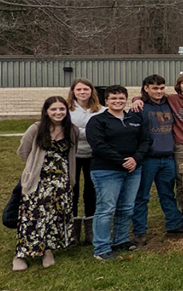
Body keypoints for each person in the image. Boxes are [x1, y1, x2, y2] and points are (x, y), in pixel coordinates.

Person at [13, 96, 79, 271]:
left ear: (66, 111)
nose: (58, 113)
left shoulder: (71, 130)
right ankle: (21, 254)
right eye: (54, 109)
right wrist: (33, 169)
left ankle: (47, 250)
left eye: (61, 109)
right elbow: (23, 151)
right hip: (38, 182)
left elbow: (71, 154)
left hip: (61, 183)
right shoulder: (36, 129)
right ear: (47, 111)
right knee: (31, 217)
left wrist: (68, 180)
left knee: (54, 217)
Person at [131, 74, 183, 210]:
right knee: (180, 180)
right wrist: (136, 99)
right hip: (178, 146)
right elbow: (150, 95)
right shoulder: (172, 99)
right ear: (178, 86)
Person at [88, 85, 150, 260]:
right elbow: (99, 146)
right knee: (106, 208)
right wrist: (122, 161)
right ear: (106, 101)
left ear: (126, 99)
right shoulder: (98, 121)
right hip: (106, 171)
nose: (117, 101)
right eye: (113, 99)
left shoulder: (134, 118)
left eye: (121, 98)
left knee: (126, 207)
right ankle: (101, 247)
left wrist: (136, 159)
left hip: (133, 169)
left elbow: (145, 140)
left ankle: (121, 240)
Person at [131, 75, 183, 246]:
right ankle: (139, 232)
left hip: (167, 156)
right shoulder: (139, 108)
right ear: (146, 88)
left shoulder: (169, 104)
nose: (159, 91)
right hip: (148, 159)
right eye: (155, 88)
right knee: (142, 196)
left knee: (168, 194)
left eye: (161, 88)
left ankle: (175, 225)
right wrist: (136, 99)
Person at [66, 78, 104, 244]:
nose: (82, 92)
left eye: (86, 89)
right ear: (73, 92)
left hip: (93, 155)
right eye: (79, 89)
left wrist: (79, 131)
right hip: (71, 156)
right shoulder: (67, 110)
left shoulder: (101, 110)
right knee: (71, 191)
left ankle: (91, 230)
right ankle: (72, 230)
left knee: (91, 191)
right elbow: (65, 131)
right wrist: (89, 132)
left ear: (91, 91)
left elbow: (101, 132)